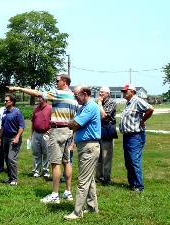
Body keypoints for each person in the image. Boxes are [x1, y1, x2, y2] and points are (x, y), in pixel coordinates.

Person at [8, 74, 78, 203]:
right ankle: (68, 192)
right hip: (68, 130)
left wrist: (19, 88)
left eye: (57, 81)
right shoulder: (73, 96)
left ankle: (55, 195)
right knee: (67, 162)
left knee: (55, 163)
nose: (55, 83)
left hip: (57, 131)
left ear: (64, 82)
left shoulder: (59, 93)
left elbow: (37, 93)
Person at [64, 86, 101, 220]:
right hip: (85, 146)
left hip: (89, 147)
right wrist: (71, 123)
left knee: (83, 181)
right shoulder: (83, 107)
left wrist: (70, 123)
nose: (75, 98)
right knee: (89, 179)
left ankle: (77, 212)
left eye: (76, 95)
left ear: (85, 94)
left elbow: (75, 124)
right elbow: (73, 123)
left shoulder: (90, 107)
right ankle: (92, 208)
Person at [119, 84, 154, 192]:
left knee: (134, 160)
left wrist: (143, 120)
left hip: (136, 136)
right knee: (128, 161)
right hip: (127, 136)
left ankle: (139, 186)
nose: (124, 93)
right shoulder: (128, 103)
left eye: (126, 91)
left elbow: (150, 109)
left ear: (132, 92)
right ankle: (132, 184)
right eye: (123, 91)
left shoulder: (137, 100)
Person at [0, 94, 25, 186]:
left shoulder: (17, 112)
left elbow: (21, 127)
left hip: (13, 138)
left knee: (11, 158)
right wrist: (0, 137)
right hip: (5, 138)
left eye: (7, 101)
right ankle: (10, 177)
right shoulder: (5, 112)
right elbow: (2, 126)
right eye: (5, 100)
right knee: (6, 158)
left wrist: (17, 137)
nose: (5, 102)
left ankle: (14, 179)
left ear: (12, 102)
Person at [96, 87, 117, 184]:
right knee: (98, 156)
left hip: (107, 131)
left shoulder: (111, 102)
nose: (100, 94)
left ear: (108, 93)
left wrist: (99, 104)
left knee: (106, 156)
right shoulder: (97, 102)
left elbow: (104, 116)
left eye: (102, 92)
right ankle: (99, 176)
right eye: (99, 92)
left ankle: (106, 178)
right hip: (98, 131)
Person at [31, 96, 51, 178]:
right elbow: (33, 122)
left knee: (46, 153)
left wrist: (50, 131)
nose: (38, 99)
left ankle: (46, 171)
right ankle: (36, 171)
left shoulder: (50, 108)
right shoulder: (36, 109)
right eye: (38, 98)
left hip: (46, 133)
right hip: (36, 133)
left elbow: (54, 121)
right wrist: (31, 134)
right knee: (36, 153)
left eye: (40, 98)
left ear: (45, 99)